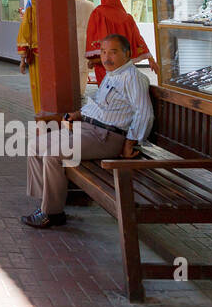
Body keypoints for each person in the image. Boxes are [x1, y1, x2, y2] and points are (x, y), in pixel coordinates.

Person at [22, 34, 154, 229]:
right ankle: (46, 202)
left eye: (113, 52)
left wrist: (129, 143)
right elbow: (99, 106)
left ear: (127, 54)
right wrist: (78, 114)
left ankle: (52, 213)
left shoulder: (133, 78)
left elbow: (145, 113)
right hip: (87, 129)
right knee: (35, 145)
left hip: (106, 137)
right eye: (103, 52)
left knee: (53, 154)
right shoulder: (112, 75)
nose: (106, 57)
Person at [85, 0, 157, 85]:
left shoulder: (98, 13)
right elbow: (138, 38)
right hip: (123, 62)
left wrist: (93, 59)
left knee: (106, 91)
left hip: (105, 63)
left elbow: (92, 34)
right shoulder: (128, 17)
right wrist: (151, 59)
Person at [17, 0, 41, 113]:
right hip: (57, 59)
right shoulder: (58, 8)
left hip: (37, 58)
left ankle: (40, 113)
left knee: (38, 87)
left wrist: (22, 60)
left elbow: (23, 36)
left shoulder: (30, 12)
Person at [74, 0, 96, 95]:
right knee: (83, 64)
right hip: (85, 37)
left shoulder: (67, 4)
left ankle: (72, 89)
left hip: (71, 37)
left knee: (72, 63)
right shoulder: (90, 5)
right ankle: (80, 91)